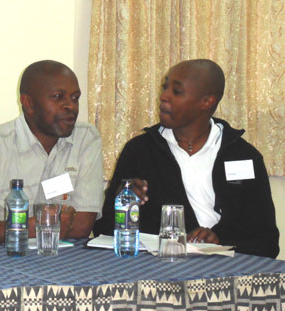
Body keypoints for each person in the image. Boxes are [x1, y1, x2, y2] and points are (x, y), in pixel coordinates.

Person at [93, 59, 279, 258]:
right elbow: (104, 231)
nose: (163, 97)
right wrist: (122, 203)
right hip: (158, 270)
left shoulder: (244, 156)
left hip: (228, 269)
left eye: (176, 91)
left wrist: (219, 239)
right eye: (165, 87)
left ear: (206, 102)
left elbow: (266, 242)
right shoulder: (139, 151)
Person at [0, 60, 104, 243]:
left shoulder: (86, 140)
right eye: (58, 97)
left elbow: (82, 226)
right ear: (28, 103)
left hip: (65, 260)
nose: (70, 106)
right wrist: (27, 228)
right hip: (1, 260)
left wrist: (15, 228)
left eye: (75, 98)